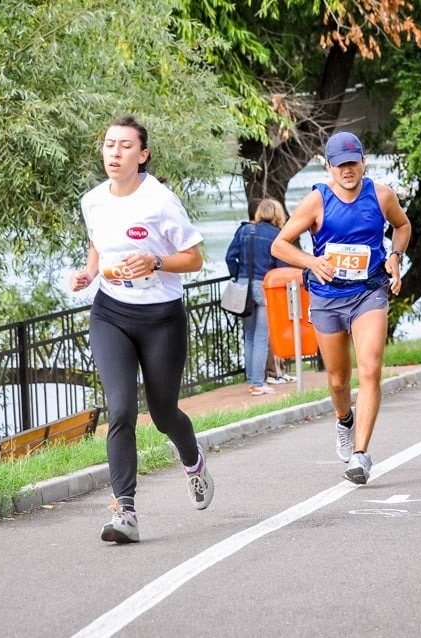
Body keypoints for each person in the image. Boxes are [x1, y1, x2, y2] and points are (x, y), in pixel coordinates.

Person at [69, 114, 214, 544]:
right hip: (110, 314)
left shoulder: (161, 201)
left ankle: (193, 461)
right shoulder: (93, 200)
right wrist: (89, 272)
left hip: (160, 318)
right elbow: (99, 240)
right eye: (110, 145)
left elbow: (194, 258)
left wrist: (156, 261)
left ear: (143, 154)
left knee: (164, 411)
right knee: (121, 410)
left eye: (125, 145)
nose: (115, 152)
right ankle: (125, 512)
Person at [271, 131, 411, 485]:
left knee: (371, 368)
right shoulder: (316, 201)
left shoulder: (381, 195)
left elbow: (402, 226)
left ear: (363, 161)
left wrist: (395, 256)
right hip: (327, 298)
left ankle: (361, 456)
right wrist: (310, 262)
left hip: (369, 291)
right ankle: (344, 418)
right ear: (329, 166)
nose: (347, 170)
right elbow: (280, 245)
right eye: (340, 164)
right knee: (337, 380)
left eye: (353, 162)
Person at [225, 197, 287, 396]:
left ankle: (252, 380)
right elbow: (281, 266)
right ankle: (258, 383)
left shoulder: (244, 230)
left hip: (243, 287)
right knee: (261, 337)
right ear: (277, 214)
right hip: (265, 287)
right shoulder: (276, 235)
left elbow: (229, 257)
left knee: (249, 336)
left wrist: (238, 275)